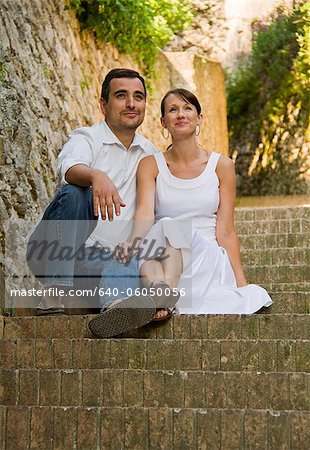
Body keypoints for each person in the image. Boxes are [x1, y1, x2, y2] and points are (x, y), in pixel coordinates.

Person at [95, 88, 272, 325]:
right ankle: (161, 297)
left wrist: (241, 282)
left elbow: (226, 230)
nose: (181, 114)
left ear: (199, 119)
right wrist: (132, 244)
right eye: (172, 110)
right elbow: (145, 215)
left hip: (205, 258)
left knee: (168, 226)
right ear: (163, 122)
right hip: (166, 259)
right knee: (148, 255)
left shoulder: (222, 166)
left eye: (188, 108)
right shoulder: (150, 165)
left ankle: (162, 297)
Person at [27, 68, 177, 332]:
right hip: (56, 252)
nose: (131, 103)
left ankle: (116, 308)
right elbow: (69, 169)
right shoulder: (87, 138)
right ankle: (56, 292)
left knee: (130, 250)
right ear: (103, 104)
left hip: (107, 261)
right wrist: (96, 176)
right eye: (121, 95)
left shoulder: (150, 154)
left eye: (138, 97)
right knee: (74, 191)